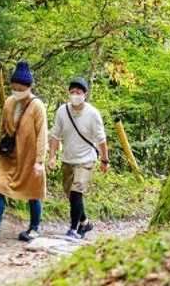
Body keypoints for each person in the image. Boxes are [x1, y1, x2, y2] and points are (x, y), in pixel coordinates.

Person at [0, 61, 48, 242]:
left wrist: (39, 161)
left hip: (30, 157)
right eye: (14, 87)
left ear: (29, 87)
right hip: (10, 154)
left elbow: (42, 134)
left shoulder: (37, 106)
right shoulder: (9, 102)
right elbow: (3, 127)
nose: (17, 91)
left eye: (20, 88)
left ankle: (34, 228)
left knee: (33, 191)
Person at [48, 76, 109, 239]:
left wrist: (105, 160)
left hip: (86, 160)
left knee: (76, 193)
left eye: (79, 92)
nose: (75, 94)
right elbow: (55, 135)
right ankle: (85, 223)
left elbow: (101, 139)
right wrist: (52, 156)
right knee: (71, 195)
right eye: (72, 92)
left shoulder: (93, 114)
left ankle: (73, 229)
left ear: (85, 94)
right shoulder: (62, 111)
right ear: (68, 93)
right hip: (68, 159)